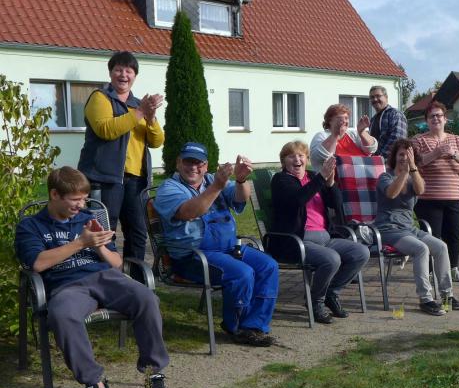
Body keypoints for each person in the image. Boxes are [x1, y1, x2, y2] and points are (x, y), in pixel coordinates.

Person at [15, 167, 170, 388]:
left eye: (84, 199)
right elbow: (38, 263)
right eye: (75, 199)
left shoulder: (88, 218)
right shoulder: (31, 226)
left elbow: (116, 263)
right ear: (54, 194)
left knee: (147, 298)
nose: (81, 205)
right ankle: (96, 386)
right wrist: (80, 243)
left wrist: (99, 247)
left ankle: (154, 375)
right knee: (62, 314)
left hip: (105, 278)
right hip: (67, 285)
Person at [154, 142, 278, 346]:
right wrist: (217, 187)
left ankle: (254, 325)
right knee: (242, 273)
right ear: (178, 163)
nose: (193, 167)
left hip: (227, 249)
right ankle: (236, 327)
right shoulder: (169, 189)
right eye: (188, 162)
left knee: (268, 266)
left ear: (206, 165)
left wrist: (241, 179)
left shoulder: (211, 179)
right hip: (192, 256)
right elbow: (190, 212)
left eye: (199, 163)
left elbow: (241, 197)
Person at [270, 141, 370, 323]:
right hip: (296, 241)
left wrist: (330, 183)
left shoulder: (312, 177)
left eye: (301, 155)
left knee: (361, 252)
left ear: (306, 159)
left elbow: (336, 204)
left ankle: (331, 292)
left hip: (325, 237)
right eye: (291, 156)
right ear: (284, 161)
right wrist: (321, 177)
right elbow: (298, 199)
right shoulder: (281, 180)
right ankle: (315, 301)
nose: (297, 159)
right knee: (331, 259)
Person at [78, 51, 164, 260]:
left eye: (129, 71)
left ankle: (135, 276)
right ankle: (106, 274)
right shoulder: (100, 98)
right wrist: (140, 112)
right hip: (104, 179)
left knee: (137, 233)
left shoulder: (138, 104)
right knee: (104, 232)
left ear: (135, 76)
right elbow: (106, 130)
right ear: (110, 73)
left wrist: (151, 118)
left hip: (135, 180)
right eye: (118, 70)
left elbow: (156, 141)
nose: (123, 75)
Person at [374, 139, 459, 316]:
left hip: (409, 228)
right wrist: (404, 172)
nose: (404, 158)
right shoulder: (385, 177)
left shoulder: (413, 177)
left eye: (408, 155)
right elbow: (392, 193)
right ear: (394, 157)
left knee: (441, 246)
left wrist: (413, 169)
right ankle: (426, 299)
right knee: (421, 249)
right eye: (401, 154)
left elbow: (420, 190)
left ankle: (447, 296)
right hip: (388, 229)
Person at [411, 101, 459, 282]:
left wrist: (454, 154)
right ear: (426, 121)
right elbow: (415, 162)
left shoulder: (458, 140)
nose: (436, 119)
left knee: (453, 235)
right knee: (432, 237)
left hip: (453, 196)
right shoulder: (419, 140)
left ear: (445, 119)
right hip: (428, 198)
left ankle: (453, 269)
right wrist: (437, 152)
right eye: (432, 116)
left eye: (439, 115)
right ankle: (431, 272)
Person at [309, 103, 377, 171]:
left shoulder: (353, 134)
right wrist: (335, 134)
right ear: (330, 121)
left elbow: (371, 149)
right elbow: (319, 157)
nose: (344, 121)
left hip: (363, 174)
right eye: (340, 118)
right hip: (335, 177)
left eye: (346, 118)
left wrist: (362, 132)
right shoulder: (321, 136)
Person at [368, 85, 407, 159]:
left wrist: (381, 159)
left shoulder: (395, 114)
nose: (375, 99)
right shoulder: (373, 119)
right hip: (375, 162)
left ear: (386, 97)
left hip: (391, 162)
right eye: (372, 97)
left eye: (378, 96)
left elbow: (397, 140)